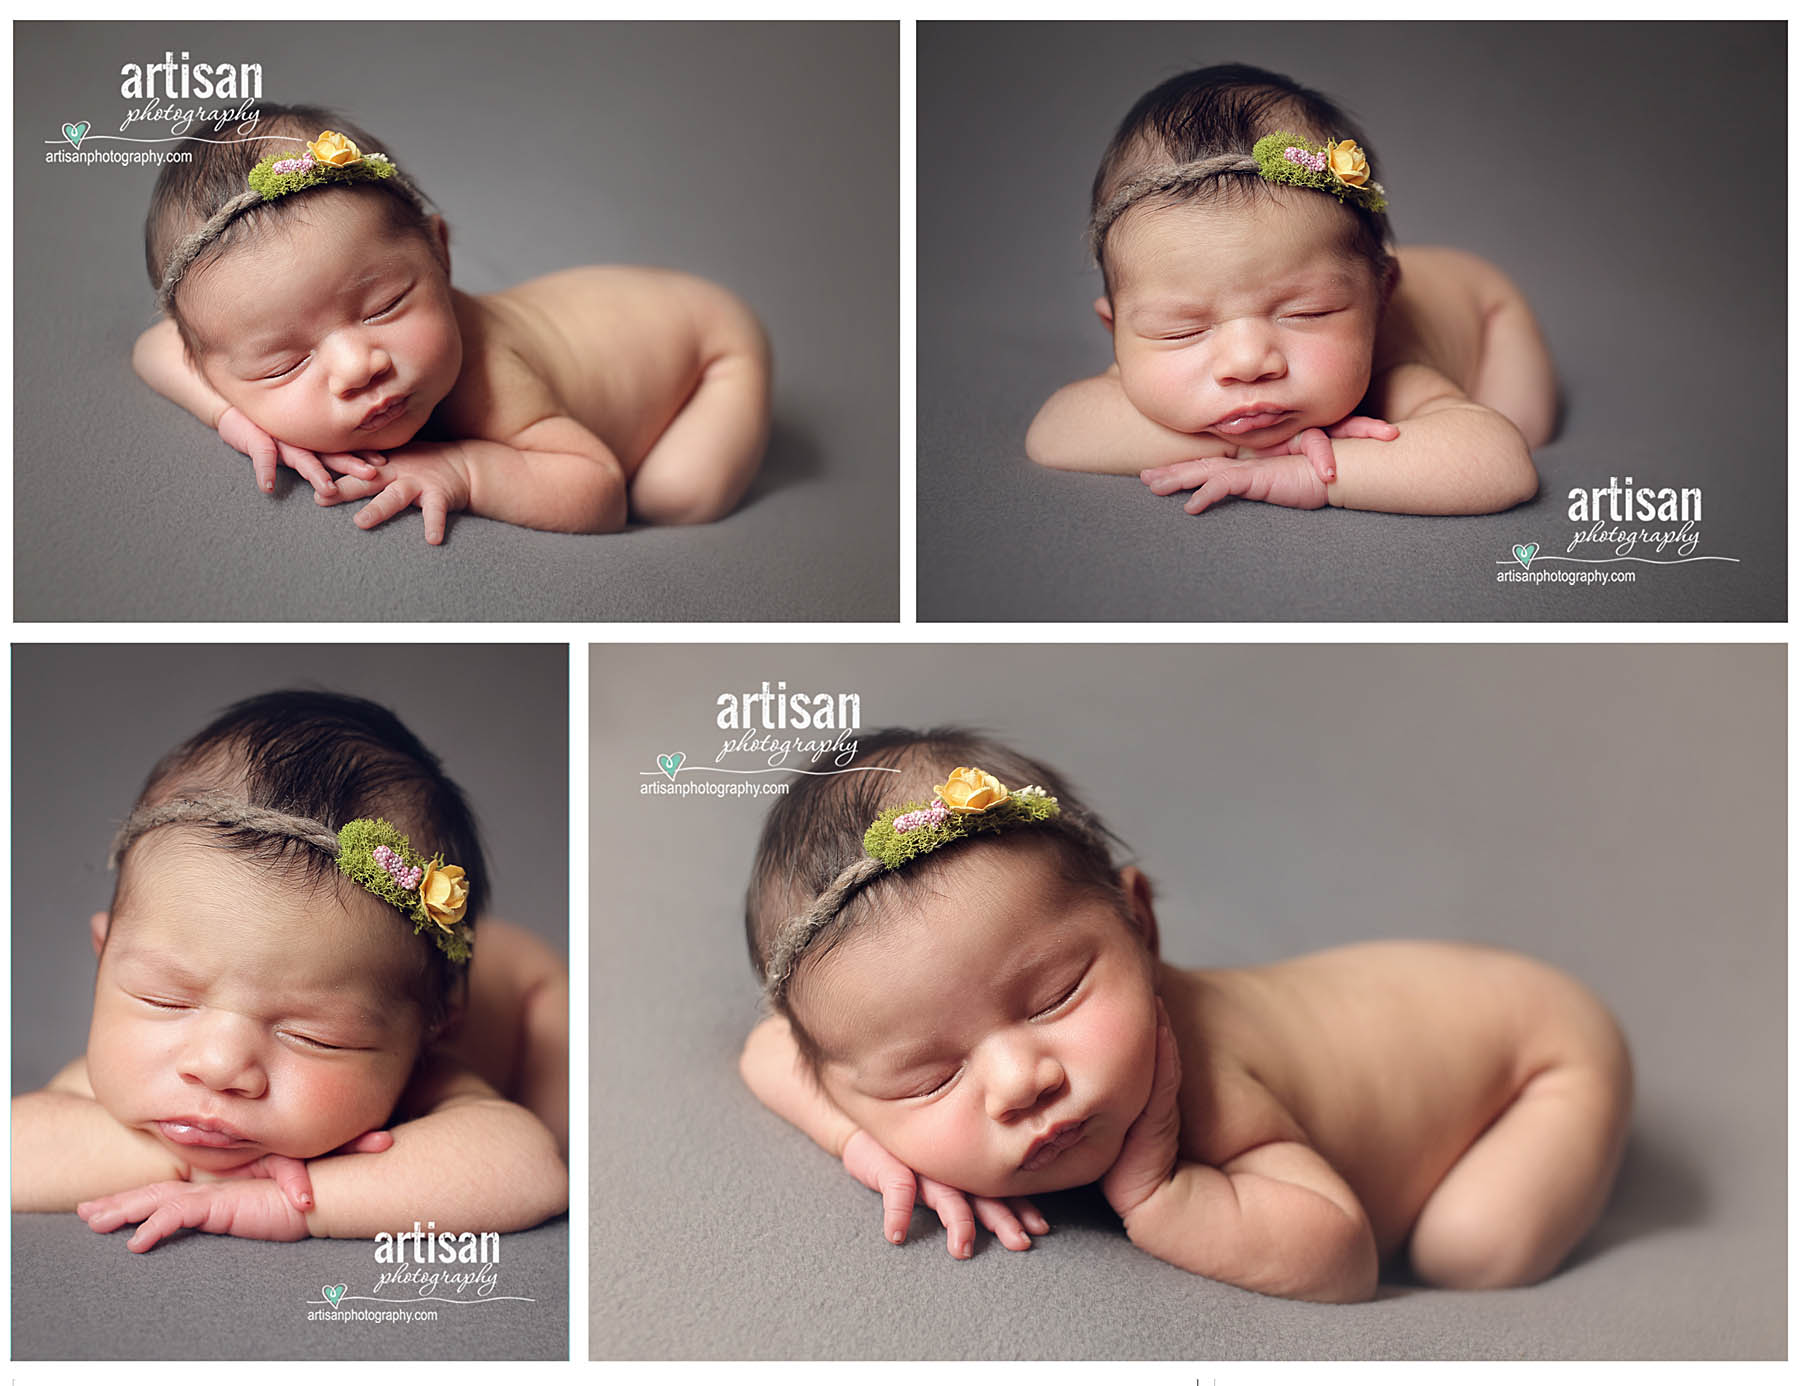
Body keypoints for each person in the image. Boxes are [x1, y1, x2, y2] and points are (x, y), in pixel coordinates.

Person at [739, 729, 1630, 1301]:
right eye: (930, 1077)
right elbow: (770, 1054)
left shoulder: (1203, 1084)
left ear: (1142, 923)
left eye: (1055, 998)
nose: (1021, 1081)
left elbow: (1344, 1253)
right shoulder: (853, 1055)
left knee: (1471, 1251)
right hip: (1411, 1001)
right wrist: (867, 1145)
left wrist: (1165, 1198)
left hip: (1536, 1052)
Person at [11, 691, 569, 1252]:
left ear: (429, 1031)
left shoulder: (428, 1073)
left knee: (570, 1119)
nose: (218, 1065)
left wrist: (297, 1202)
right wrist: (203, 1169)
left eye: (311, 1035)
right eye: (166, 1000)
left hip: (528, 990)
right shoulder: (130, 1079)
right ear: (104, 955)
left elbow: (529, 1167)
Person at [133, 105, 769, 543]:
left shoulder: (488, 377)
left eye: (383, 307)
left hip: (709, 345)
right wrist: (234, 418)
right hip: (607, 307)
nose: (359, 366)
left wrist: (463, 470)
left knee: (670, 495)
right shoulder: (216, 346)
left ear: (439, 251)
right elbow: (153, 349)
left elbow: (600, 490)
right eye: (284, 364)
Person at [1027, 65, 1552, 516]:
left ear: (1380, 300)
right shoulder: (1160, 343)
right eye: (1182, 330)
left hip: (1486, 310)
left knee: (1529, 428)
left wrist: (1316, 475)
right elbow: (1054, 432)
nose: (1248, 362)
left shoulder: (1393, 371)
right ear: (1117, 331)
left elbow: (1501, 463)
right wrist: (1260, 450)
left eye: (1307, 313)